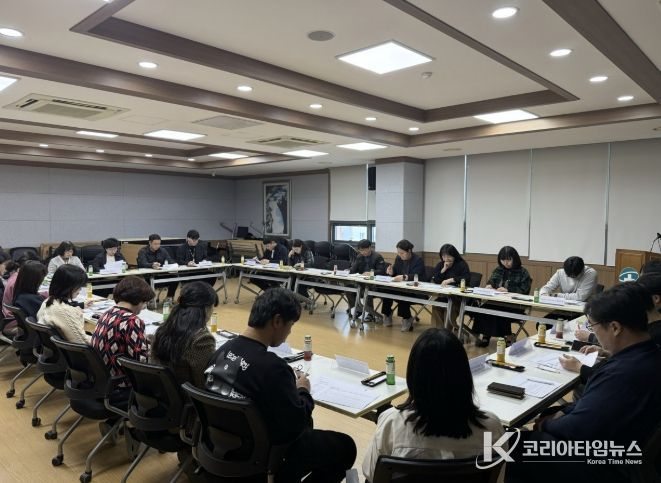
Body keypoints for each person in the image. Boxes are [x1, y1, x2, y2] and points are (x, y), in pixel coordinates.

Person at [506, 282, 661, 483]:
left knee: (511, 443)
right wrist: (564, 412)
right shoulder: (648, 354)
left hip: (604, 464)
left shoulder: (625, 373)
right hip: (625, 446)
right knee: (550, 415)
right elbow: (596, 405)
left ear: (615, 328)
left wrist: (548, 424)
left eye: (593, 326)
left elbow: (579, 429)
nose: (593, 333)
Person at [205, 288, 356, 482]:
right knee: (346, 447)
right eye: (290, 325)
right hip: (264, 457)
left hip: (220, 448)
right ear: (277, 321)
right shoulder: (273, 368)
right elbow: (297, 423)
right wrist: (303, 389)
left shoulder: (221, 351)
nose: (290, 332)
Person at [363, 328, 504, 482]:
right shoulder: (491, 428)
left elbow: (371, 474)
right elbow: (496, 476)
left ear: (414, 376)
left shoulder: (391, 424)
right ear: (464, 375)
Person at [151, 281, 218, 389]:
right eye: (212, 306)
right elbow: (204, 383)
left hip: (162, 392)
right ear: (206, 308)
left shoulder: (164, 328)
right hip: (187, 397)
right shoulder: (201, 339)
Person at [91, 276, 154, 386]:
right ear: (138, 300)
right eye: (144, 302)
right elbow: (141, 362)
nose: (144, 307)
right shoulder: (132, 320)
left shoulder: (107, 313)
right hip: (122, 383)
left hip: (103, 378)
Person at [472, 246, 532, 347]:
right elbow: (491, 281)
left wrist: (508, 290)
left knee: (500, 312)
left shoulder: (523, 272)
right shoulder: (498, 270)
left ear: (515, 259)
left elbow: (524, 291)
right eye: (503, 260)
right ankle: (485, 334)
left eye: (508, 260)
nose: (505, 263)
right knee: (483, 309)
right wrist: (489, 286)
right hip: (496, 300)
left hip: (514, 305)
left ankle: (508, 336)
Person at [380, 239, 426, 332]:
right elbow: (395, 272)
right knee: (386, 289)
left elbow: (418, 276)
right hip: (400, 287)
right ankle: (387, 313)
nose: (400, 255)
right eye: (398, 253)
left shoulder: (418, 260)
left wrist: (404, 277)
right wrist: (392, 272)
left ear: (409, 251)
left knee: (403, 292)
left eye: (402, 253)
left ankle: (407, 317)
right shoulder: (398, 258)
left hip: (416, 291)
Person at [38, 265, 90, 345]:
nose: (80, 289)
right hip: (76, 351)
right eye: (79, 286)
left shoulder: (48, 301)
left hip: (57, 349)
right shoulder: (63, 311)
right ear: (68, 286)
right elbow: (83, 342)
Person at [430, 244, 470, 329]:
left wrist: (451, 280)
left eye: (449, 256)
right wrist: (443, 269)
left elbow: (466, 278)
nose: (446, 259)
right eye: (444, 256)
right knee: (436, 305)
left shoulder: (461, 264)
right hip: (444, 296)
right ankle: (438, 331)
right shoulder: (441, 264)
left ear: (454, 255)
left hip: (457, 298)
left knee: (449, 308)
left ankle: (447, 332)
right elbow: (436, 280)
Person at [347, 239, 386, 320]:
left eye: (364, 250)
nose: (362, 252)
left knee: (367, 288)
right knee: (348, 287)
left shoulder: (377, 257)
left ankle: (370, 314)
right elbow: (353, 269)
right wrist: (347, 271)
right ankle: (358, 309)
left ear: (370, 248)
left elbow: (382, 271)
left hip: (374, 284)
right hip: (361, 282)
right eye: (360, 250)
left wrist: (371, 273)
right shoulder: (359, 256)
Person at [137, 234, 177, 299]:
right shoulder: (143, 251)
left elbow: (170, 260)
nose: (157, 246)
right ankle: (150, 300)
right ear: (150, 243)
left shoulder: (162, 250)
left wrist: (174, 264)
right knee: (148, 281)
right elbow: (142, 264)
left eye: (159, 244)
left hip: (161, 274)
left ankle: (169, 298)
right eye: (155, 244)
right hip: (148, 276)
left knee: (174, 278)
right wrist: (152, 265)